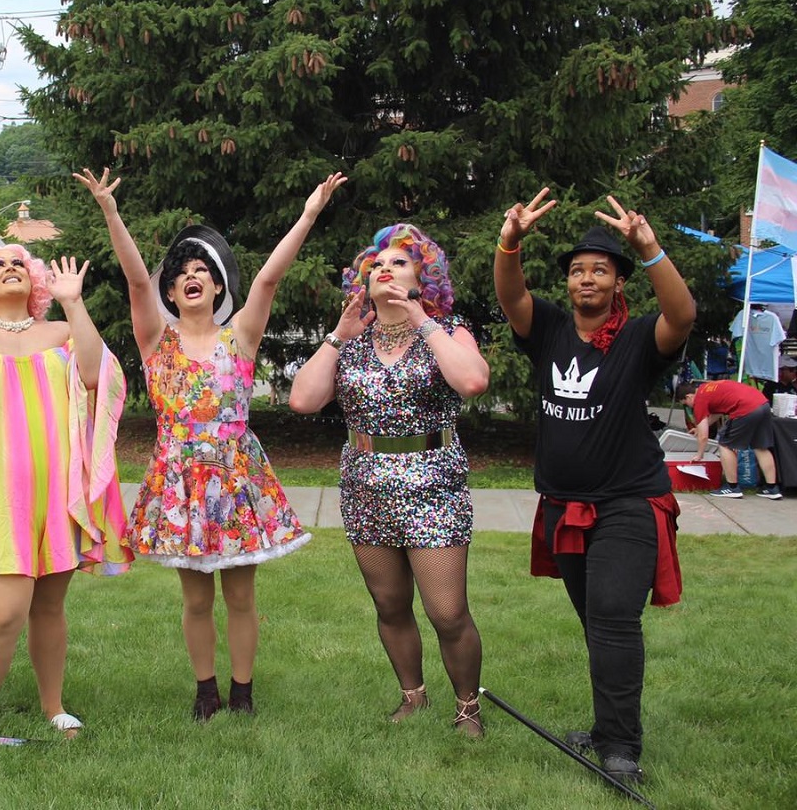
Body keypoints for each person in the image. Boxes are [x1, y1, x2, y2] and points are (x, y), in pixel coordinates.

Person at [75, 167, 346, 719]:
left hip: (236, 478)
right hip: (179, 481)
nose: (192, 277)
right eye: (182, 274)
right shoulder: (155, 340)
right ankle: (206, 691)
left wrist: (309, 214)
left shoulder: (240, 336)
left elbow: (268, 280)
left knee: (242, 596)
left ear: (218, 286)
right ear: (170, 292)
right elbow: (133, 281)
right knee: (196, 599)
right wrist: (110, 210)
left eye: (204, 271)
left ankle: (243, 693)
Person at [493, 190, 697, 786]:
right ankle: (607, 728)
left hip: (628, 501)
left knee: (612, 616)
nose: (587, 278)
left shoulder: (638, 338)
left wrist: (650, 247)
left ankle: (622, 748)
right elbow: (511, 295)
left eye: (600, 270)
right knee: (595, 621)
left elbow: (682, 316)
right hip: (562, 505)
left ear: (617, 283)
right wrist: (511, 240)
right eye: (579, 270)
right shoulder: (551, 329)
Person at [0, 241, 132, 745]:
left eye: (18, 262)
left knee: (48, 608)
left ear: (35, 279)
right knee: (3, 612)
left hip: (58, 493)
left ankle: (54, 707)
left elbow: (94, 376)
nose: (10, 267)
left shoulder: (61, 331)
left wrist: (74, 302)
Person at [289, 224, 490, 737]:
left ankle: (467, 707)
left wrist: (421, 318)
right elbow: (303, 400)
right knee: (390, 604)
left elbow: (471, 381)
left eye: (399, 262)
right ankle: (413, 697)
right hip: (365, 485)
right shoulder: (351, 342)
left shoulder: (447, 329)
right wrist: (338, 334)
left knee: (447, 612)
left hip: (433, 484)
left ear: (424, 277)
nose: (384, 268)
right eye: (376, 264)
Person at [675, 380, 783, 499]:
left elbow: (703, 436)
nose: (688, 406)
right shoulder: (707, 388)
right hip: (762, 404)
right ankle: (772, 488)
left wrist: (699, 455)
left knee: (725, 444)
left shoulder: (699, 400)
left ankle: (732, 487)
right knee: (760, 446)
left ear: (689, 397)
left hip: (745, 408)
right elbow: (718, 412)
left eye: (685, 403)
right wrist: (698, 428)